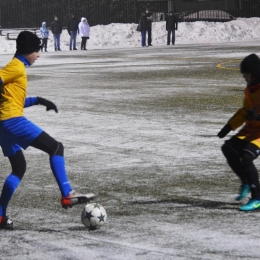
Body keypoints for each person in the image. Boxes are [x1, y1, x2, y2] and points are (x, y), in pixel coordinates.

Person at [0, 31, 94, 229]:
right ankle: (67, 194)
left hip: (3, 124)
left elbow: (13, 100)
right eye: (36, 50)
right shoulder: (16, 67)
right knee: (56, 148)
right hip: (12, 121)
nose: (38, 54)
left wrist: (39, 100)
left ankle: (0, 215)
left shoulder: (17, 68)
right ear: (27, 51)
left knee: (19, 168)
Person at [218, 53, 260, 211]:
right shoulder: (249, 91)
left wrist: (258, 116)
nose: (244, 77)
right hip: (250, 131)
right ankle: (246, 182)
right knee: (227, 148)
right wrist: (229, 126)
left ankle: (257, 198)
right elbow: (244, 111)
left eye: (246, 74)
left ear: (255, 73)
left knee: (247, 157)